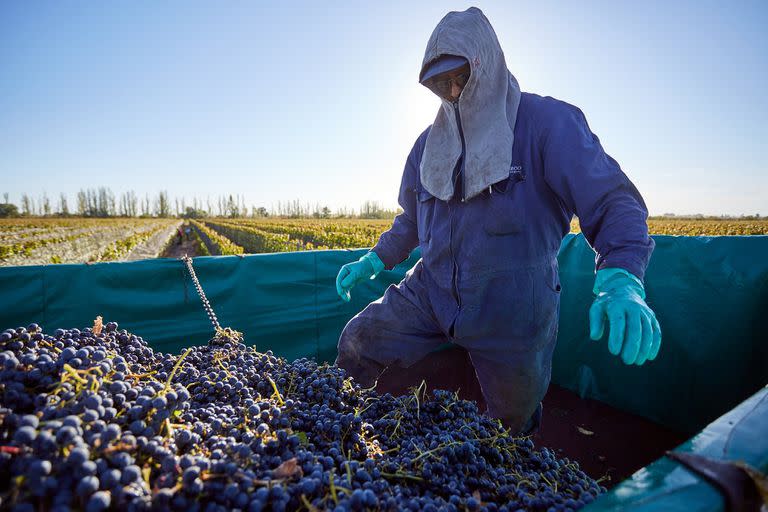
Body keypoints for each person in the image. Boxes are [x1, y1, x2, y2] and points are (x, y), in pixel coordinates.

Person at [335, 7, 661, 434]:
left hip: (513, 306)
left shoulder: (546, 124)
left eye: (460, 76)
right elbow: (410, 220)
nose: (451, 91)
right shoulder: (425, 147)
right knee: (359, 342)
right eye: (439, 83)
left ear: (487, 65)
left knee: (511, 422)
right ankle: (342, 432)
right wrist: (375, 260)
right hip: (430, 290)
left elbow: (613, 200)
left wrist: (622, 277)